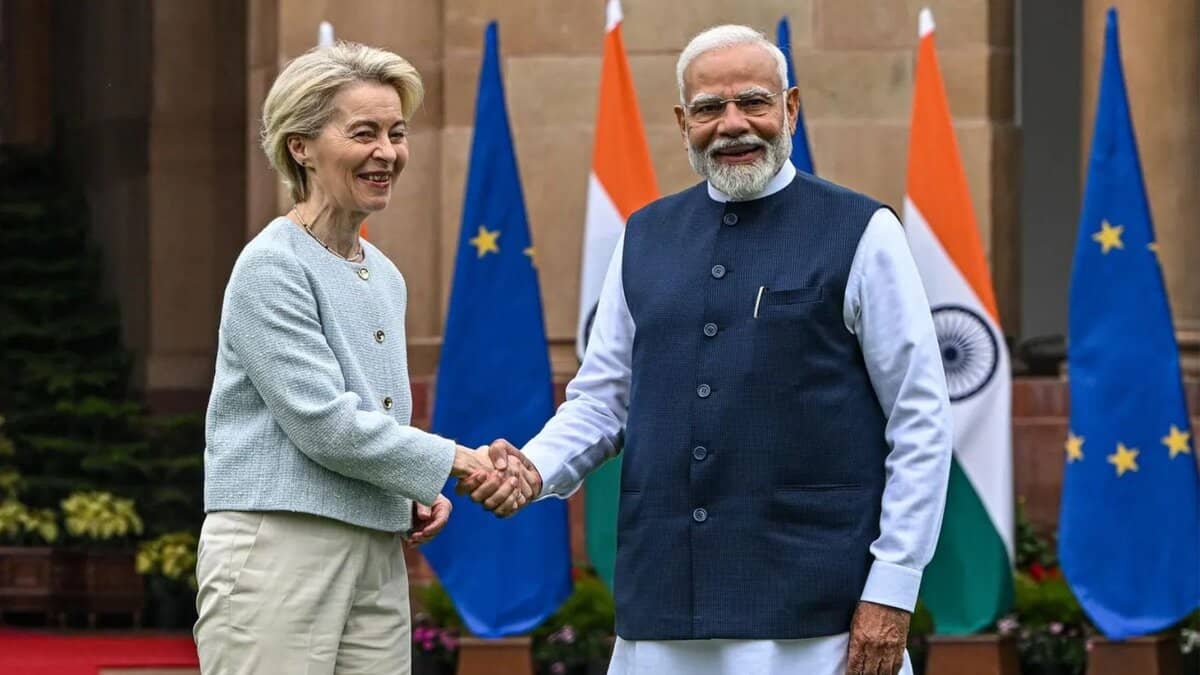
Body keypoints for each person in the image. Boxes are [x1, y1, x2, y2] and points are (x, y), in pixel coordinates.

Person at [465, 24, 954, 675]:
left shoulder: (863, 231)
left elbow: (920, 418)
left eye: (753, 102)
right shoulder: (644, 235)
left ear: (791, 108)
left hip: (816, 613)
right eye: (708, 108)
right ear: (682, 122)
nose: (732, 125)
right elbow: (603, 400)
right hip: (664, 606)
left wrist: (892, 586)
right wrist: (533, 468)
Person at [193, 42, 524, 674]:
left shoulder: (386, 275)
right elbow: (325, 425)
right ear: (300, 146)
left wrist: (407, 488)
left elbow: (373, 420)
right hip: (279, 550)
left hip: (376, 547)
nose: (388, 153)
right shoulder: (271, 265)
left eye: (397, 133)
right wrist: (453, 461)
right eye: (364, 133)